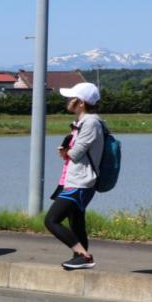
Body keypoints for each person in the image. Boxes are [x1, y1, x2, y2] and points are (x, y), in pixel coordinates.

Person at [43, 82, 107, 270]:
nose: (68, 101)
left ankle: (83, 255)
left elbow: (75, 153)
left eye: (72, 98)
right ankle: (80, 258)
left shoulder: (91, 122)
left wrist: (65, 151)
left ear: (81, 103)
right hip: (75, 179)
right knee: (76, 221)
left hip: (81, 182)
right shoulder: (82, 122)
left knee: (51, 220)